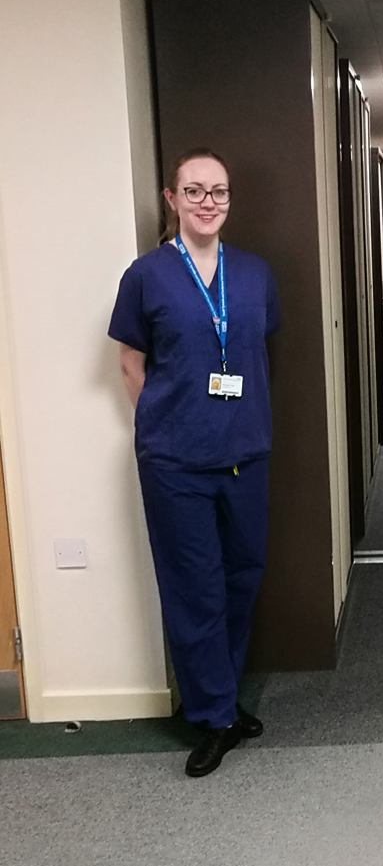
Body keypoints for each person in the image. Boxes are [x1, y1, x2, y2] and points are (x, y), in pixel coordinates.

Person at [109, 148, 280, 777]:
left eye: (219, 191)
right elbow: (130, 363)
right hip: (175, 462)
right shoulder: (146, 275)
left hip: (245, 454)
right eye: (195, 190)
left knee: (241, 579)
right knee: (193, 587)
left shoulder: (255, 274)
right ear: (172, 198)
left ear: (229, 198)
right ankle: (213, 715)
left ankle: (221, 699)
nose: (208, 202)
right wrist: (168, 420)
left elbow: (257, 348)